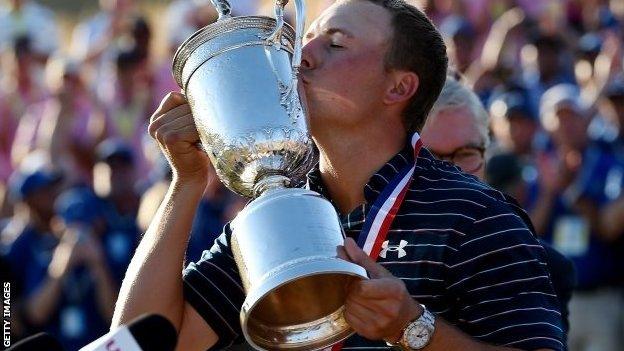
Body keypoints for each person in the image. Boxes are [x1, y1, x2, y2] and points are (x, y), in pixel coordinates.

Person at [113, 1, 564, 350]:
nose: (299, 56)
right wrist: (186, 183)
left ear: (398, 87)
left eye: (335, 44)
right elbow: (138, 342)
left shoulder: (475, 215)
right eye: (306, 40)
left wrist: (416, 329)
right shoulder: (274, 218)